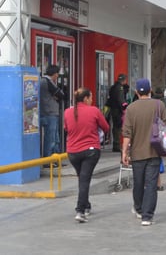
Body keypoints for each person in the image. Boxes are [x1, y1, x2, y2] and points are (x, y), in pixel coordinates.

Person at [122, 78, 166, 226]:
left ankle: (138, 208)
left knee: (138, 183)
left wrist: (124, 152)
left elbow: (127, 134)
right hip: (154, 151)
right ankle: (147, 217)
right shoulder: (159, 105)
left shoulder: (131, 108)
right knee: (151, 184)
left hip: (137, 153)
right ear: (150, 91)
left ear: (136, 92)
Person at [64, 87, 110, 223]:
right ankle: (80, 210)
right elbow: (106, 127)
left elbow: (66, 128)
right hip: (90, 150)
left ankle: (86, 204)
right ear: (85, 98)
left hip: (72, 152)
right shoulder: (94, 111)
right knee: (84, 179)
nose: (91, 100)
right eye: (90, 98)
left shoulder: (67, 112)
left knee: (82, 178)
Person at [40, 65, 65, 163]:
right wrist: (56, 96)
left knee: (54, 137)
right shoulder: (47, 82)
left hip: (49, 113)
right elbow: (61, 95)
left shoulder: (44, 81)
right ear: (55, 74)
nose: (58, 76)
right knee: (51, 138)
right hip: (49, 113)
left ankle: (55, 159)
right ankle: (49, 160)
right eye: (57, 74)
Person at [106, 74, 128, 152]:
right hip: (117, 110)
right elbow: (121, 99)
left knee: (115, 126)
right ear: (124, 80)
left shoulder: (113, 87)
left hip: (113, 109)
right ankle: (117, 145)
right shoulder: (120, 88)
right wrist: (124, 107)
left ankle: (116, 144)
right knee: (118, 127)